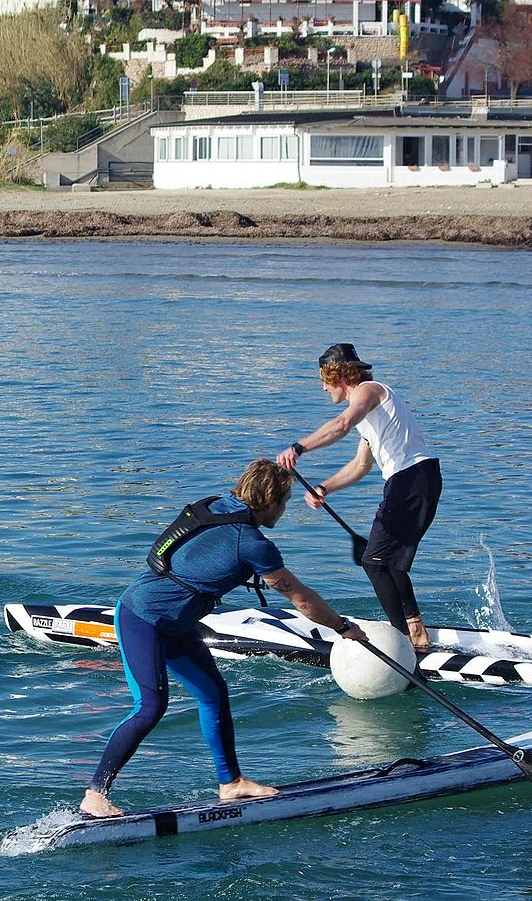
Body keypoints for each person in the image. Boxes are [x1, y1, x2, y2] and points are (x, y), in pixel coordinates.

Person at [79, 459, 367, 819]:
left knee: (214, 694)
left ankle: (231, 783)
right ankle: (95, 794)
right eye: (284, 502)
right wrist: (343, 628)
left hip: (176, 624)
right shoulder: (252, 544)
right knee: (150, 708)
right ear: (271, 501)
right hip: (143, 618)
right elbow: (302, 599)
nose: (284, 510)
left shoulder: (215, 504)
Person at [275, 343, 442, 651]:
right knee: (386, 563)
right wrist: (325, 487)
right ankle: (415, 632)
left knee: (374, 562)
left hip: (411, 479)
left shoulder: (368, 390)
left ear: (340, 376)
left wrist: (298, 448)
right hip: (415, 480)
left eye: (325, 381)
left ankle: (403, 640)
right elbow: (361, 465)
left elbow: (341, 424)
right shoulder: (370, 414)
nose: (324, 388)